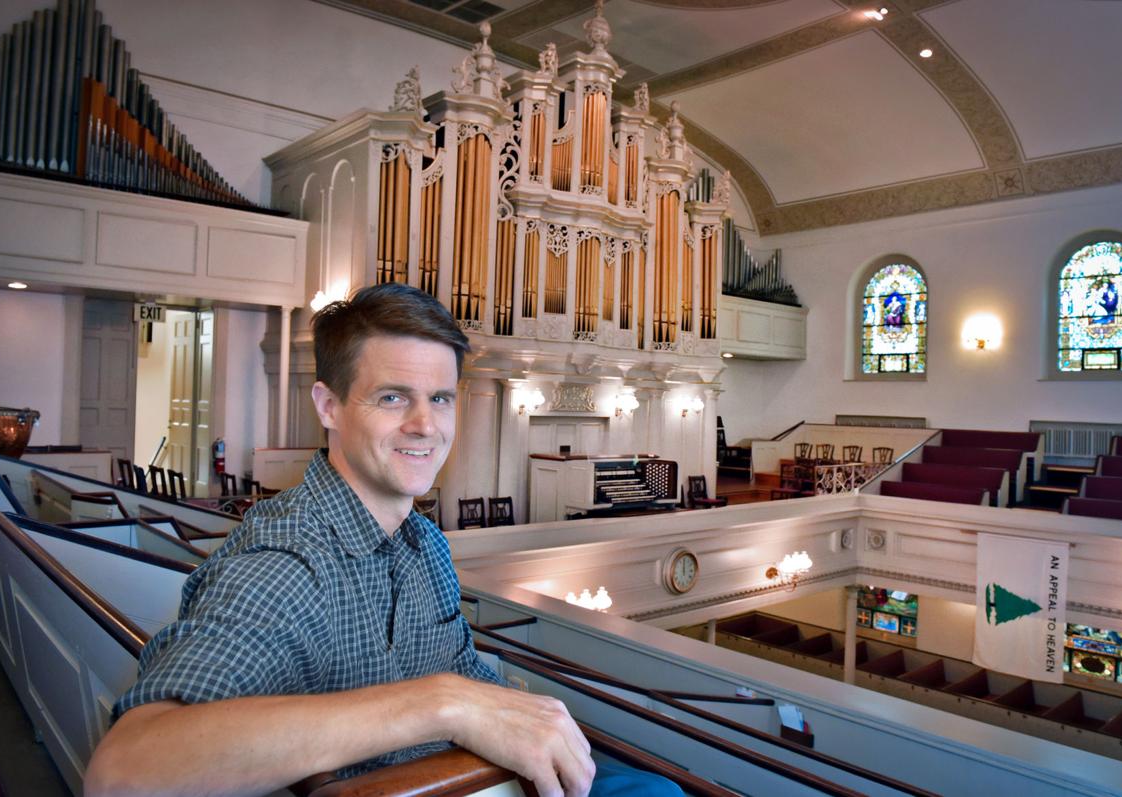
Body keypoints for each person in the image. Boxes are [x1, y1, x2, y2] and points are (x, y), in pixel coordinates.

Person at [84, 284, 679, 797]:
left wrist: (523, 717)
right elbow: (126, 772)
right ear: (329, 406)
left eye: (439, 399)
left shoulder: (425, 544)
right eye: (393, 397)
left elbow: (464, 673)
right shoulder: (286, 564)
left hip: (470, 780)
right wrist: (441, 704)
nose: (425, 425)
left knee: (658, 788)